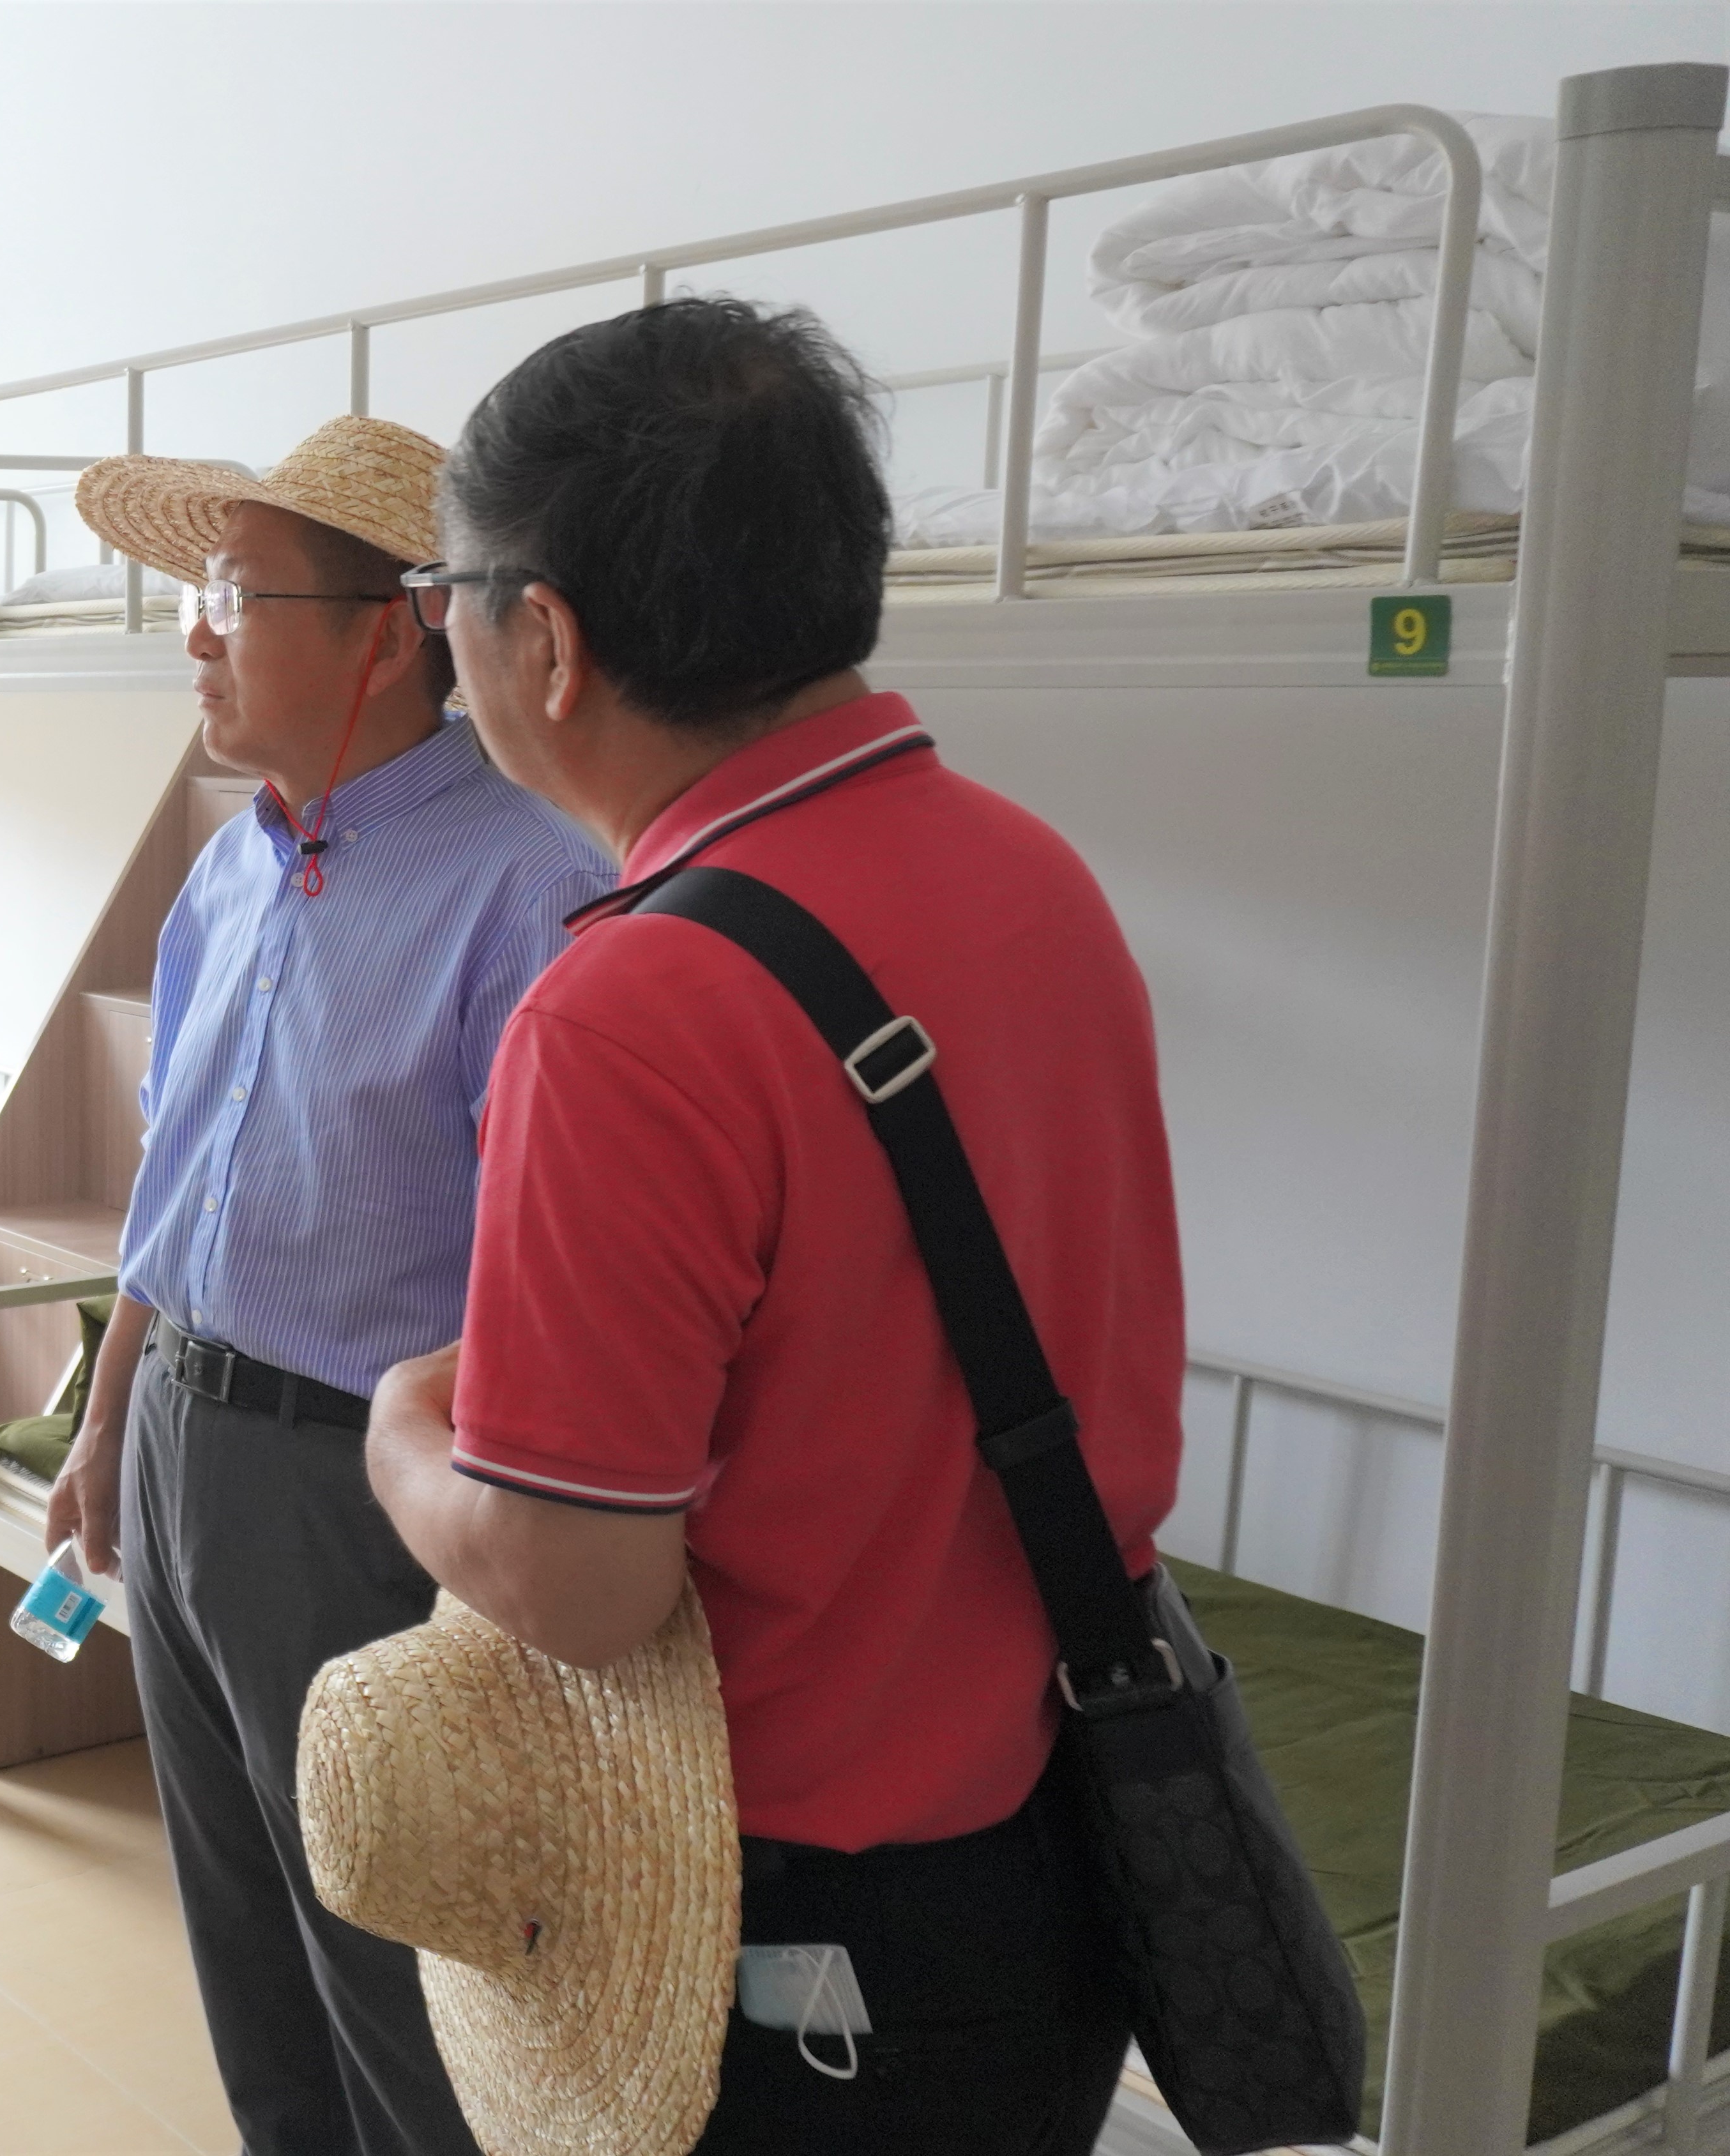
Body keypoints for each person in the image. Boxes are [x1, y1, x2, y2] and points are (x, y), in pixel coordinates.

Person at [365, 298, 1178, 2150]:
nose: (446, 642)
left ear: (544, 637)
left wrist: (401, 1435)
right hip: (1051, 1854)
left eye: (444, 595)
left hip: (798, 1933)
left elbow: (584, 1591)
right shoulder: (1034, 876)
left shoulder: (632, 1008)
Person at [47, 416, 612, 2156]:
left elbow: (551, 1276)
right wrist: (108, 1418)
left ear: (397, 626)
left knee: (393, 1972)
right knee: (238, 1935)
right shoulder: (229, 864)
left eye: (237, 594)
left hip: (356, 1492)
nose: (195, 633)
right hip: (184, 1445)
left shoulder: (532, 888)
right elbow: (174, 1178)